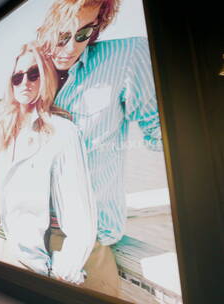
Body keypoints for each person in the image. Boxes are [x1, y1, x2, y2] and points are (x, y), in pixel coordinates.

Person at [36, 0, 162, 296]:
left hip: (87, 243)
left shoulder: (126, 56)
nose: (70, 48)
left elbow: (158, 135)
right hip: (33, 236)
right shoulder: (31, 72)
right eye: (62, 36)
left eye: (83, 34)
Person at [0, 41, 96, 284]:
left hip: (30, 264)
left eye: (33, 74)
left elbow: (80, 218)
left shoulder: (62, 132)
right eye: (17, 77)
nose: (25, 82)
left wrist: (60, 275)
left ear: (46, 77)